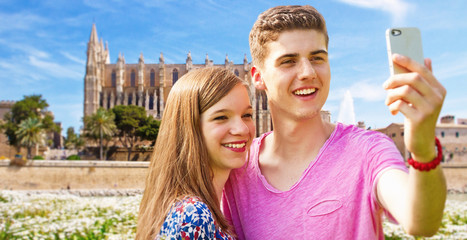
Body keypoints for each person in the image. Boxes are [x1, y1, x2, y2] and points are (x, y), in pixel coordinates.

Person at [223, 5, 447, 239]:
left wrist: (422, 149)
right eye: (289, 61)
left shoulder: (368, 150)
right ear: (258, 77)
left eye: (317, 58)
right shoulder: (238, 169)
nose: (308, 72)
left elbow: (421, 221)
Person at [136, 67, 255, 239]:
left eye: (247, 115)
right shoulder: (193, 216)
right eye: (221, 117)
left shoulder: (188, 207)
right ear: (189, 128)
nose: (242, 129)